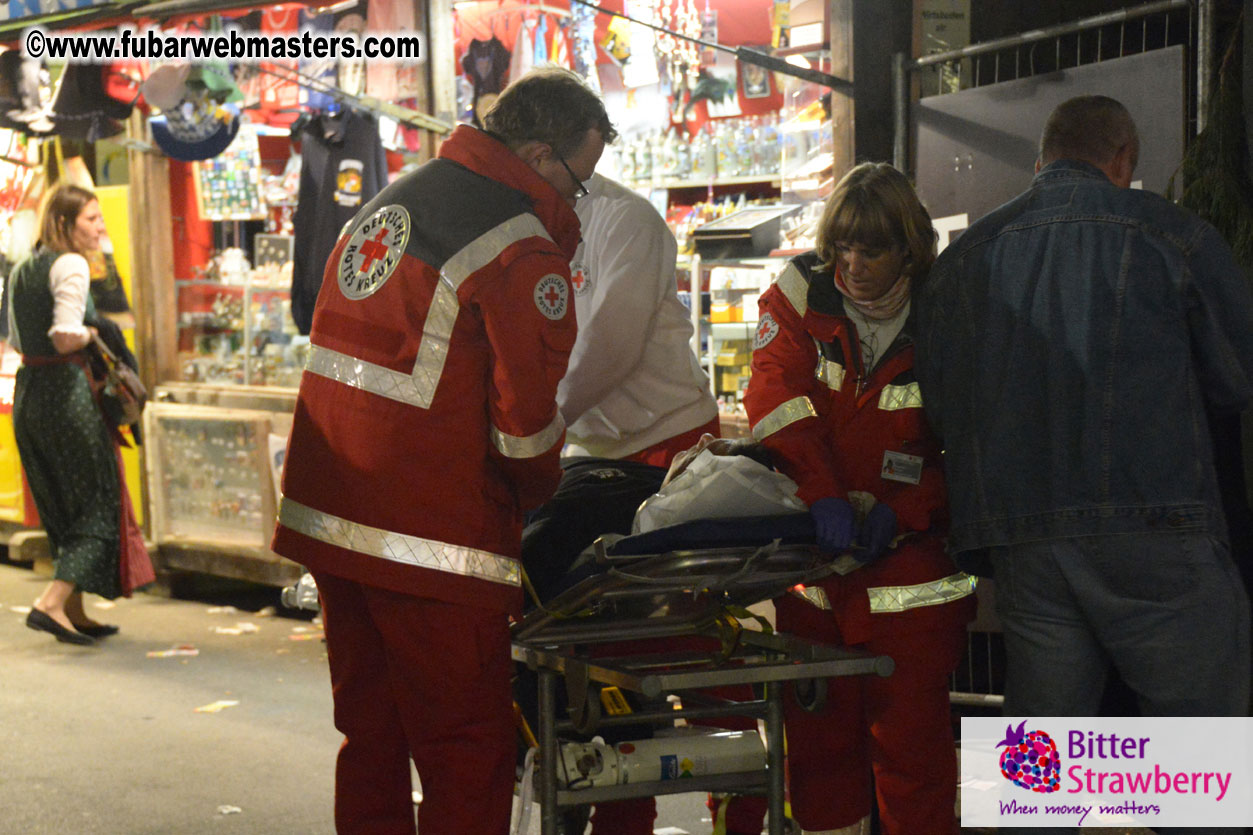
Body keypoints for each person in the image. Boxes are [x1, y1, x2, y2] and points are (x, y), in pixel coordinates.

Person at [270, 67, 614, 835]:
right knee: (466, 749)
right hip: (433, 537)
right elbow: (523, 429)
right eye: (577, 181)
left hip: (332, 517)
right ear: (535, 151)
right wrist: (540, 495)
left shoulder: (399, 198)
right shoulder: (518, 246)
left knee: (372, 736)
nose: (575, 202)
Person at [913, 95, 1253, 723]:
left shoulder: (964, 260)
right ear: (1122, 158)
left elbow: (937, 401)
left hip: (1021, 541)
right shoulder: (1171, 235)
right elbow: (1238, 377)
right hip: (1156, 525)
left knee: (1043, 754)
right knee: (1199, 745)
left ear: (1041, 158)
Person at [743, 162, 975, 835]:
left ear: (908, 247)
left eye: (870, 250)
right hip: (814, 574)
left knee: (914, 763)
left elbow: (972, 444)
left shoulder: (947, 309)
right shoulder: (799, 293)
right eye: (842, 247)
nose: (853, 264)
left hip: (911, 579)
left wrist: (903, 511)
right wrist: (820, 495)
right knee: (818, 761)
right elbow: (774, 398)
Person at [10, 184, 141, 645]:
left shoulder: (25, 267)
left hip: (30, 394)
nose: (101, 227)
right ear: (63, 223)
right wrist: (91, 333)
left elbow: (16, 340)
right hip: (66, 394)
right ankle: (50, 603)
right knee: (99, 503)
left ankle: (73, 610)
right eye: (91, 218)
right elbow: (65, 336)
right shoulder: (71, 265)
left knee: (62, 506)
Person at [560, 172, 719, 467]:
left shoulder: (626, 216)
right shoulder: (524, 214)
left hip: (666, 434)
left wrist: (544, 424)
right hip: (589, 442)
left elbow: (612, 347)